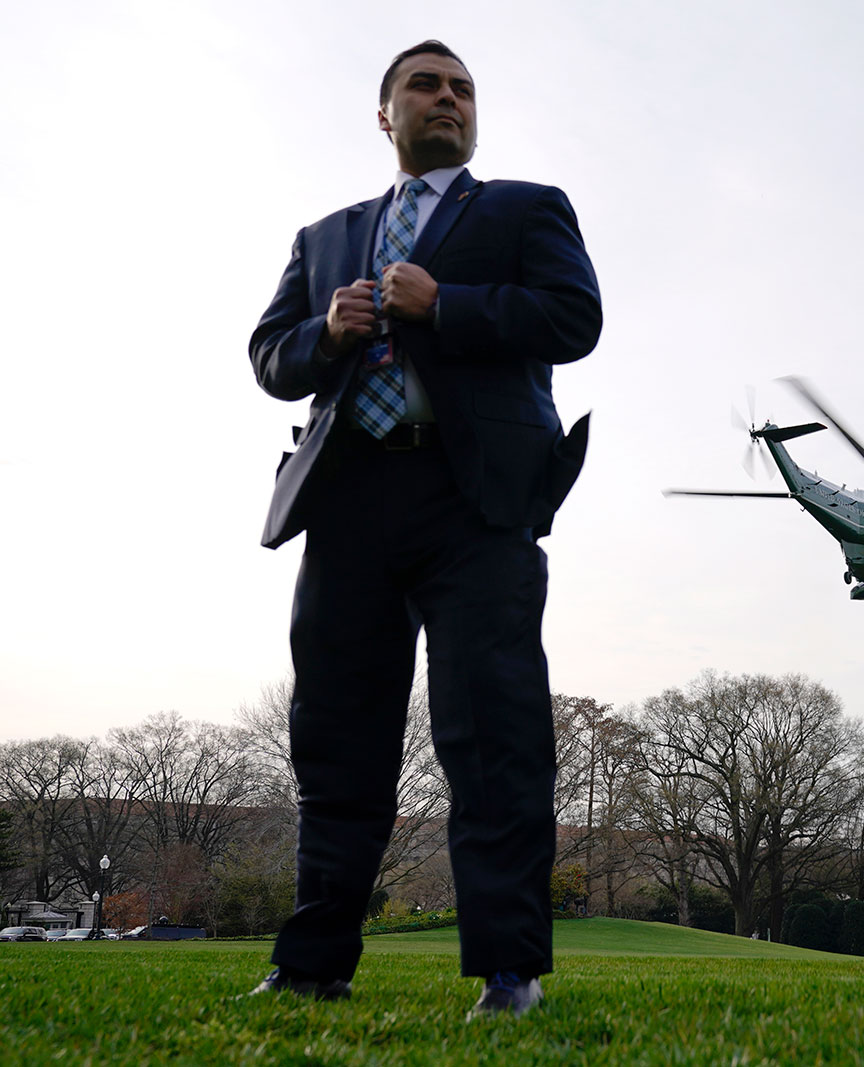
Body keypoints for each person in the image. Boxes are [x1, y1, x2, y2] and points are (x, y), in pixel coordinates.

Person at [246, 39, 601, 1019]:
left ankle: (508, 970)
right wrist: (327, 332)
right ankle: (312, 962)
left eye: (461, 89)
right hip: (348, 499)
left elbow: (573, 317)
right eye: (424, 86)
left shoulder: (527, 208)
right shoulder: (325, 237)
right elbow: (271, 356)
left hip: (475, 500)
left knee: (492, 727)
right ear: (385, 112)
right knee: (337, 736)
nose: (446, 99)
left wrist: (449, 303)